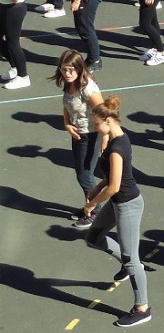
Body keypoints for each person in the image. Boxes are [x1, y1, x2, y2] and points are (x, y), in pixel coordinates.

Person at [82, 95, 150, 327]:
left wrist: (91, 204)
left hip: (128, 205)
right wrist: (96, 187)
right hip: (116, 204)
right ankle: (128, 263)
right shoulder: (114, 139)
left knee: (132, 261)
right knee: (93, 238)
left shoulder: (117, 148)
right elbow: (109, 178)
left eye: (96, 124)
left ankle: (142, 308)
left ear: (108, 121)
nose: (95, 128)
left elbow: (115, 186)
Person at [55, 50, 104, 228]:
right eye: (63, 69)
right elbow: (67, 105)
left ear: (79, 69)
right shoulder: (69, 83)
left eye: (71, 70)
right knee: (82, 174)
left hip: (91, 134)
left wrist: (106, 138)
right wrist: (67, 124)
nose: (67, 73)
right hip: (78, 133)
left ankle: (96, 212)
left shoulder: (87, 88)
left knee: (85, 176)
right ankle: (89, 207)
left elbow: (103, 113)